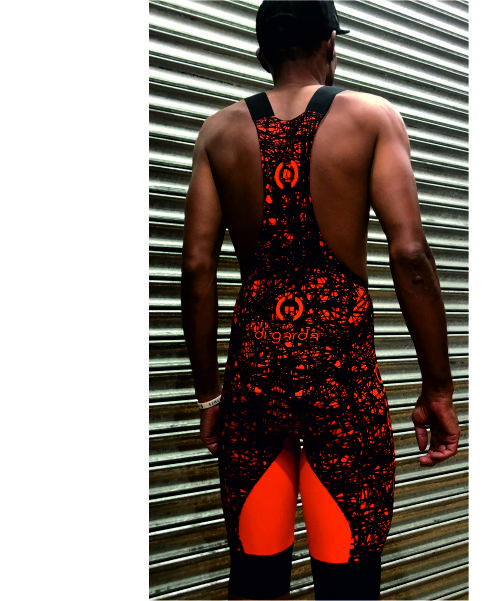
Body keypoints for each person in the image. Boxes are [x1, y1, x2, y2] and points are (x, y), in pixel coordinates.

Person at [180, 1, 460, 599]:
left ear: (263, 54)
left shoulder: (218, 132)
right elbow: (411, 256)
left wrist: (210, 395)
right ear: (330, 44)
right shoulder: (370, 119)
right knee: (348, 580)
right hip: (341, 381)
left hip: (255, 379)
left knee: (256, 581)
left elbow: (198, 268)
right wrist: (437, 389)